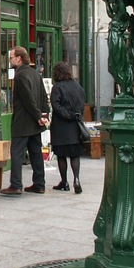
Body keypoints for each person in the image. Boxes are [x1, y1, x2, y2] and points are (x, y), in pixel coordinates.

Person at [0, 46, 49, 196]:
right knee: (35, 153)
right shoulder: (35, 74)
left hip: (23, 122)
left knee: (16, 152)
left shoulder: (20, 76)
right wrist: (43, 115)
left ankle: (16, 185)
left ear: (19, 58)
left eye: (11, 57)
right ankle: (39, 184)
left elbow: (28, 100)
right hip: (34, 123)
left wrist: (38, 116)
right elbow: (43, 96)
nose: (10, 60)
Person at [49, 61, 86, 193]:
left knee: (61, 155)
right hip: (75, 126)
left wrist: (67, 115)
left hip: (61, 126)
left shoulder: (57, 87)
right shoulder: (78, 86)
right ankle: (76, 179)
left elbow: (56, 105)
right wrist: (75, 115)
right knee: (75, 155)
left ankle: (64, 182)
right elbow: (82, 105)